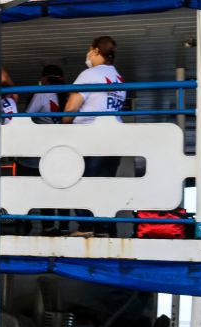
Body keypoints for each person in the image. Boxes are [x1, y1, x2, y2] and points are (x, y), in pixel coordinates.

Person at [63, 36, 127, 237]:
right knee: (104, 187)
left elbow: (70, 107)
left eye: (90, 50)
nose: (88, 55)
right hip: (114, 139)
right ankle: (102, 230)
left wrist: (61, 128)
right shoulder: (119, 79)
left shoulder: (89, 74)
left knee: (78, 182)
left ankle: (86, 227)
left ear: (97, 51)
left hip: (89, 139)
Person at [21, 64, 67, 236]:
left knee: (39, 189)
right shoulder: (66, 94)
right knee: (62, 188)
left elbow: (25, 117)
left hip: (41, 150)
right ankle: (63, 227)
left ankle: (44, 227)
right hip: (62, 150)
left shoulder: (42, 93)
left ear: (45, 78)